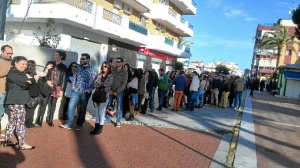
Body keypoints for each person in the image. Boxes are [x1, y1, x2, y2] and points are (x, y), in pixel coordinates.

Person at [3, 56, 36, 150]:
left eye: (26, 64)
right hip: (16, 101)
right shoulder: (14, 73)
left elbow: (26, 83)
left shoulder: (19, 73)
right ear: (16, 63)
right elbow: (25, 84)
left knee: (12, 122)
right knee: (20, 122)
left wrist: (28, 82)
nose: (25, 66)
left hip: (16, 101)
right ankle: (22, 143)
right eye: (23, 64)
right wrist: (28, 82)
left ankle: (7, 140)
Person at [60, 53, 97, 130]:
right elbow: (75, 76)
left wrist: (89, 89)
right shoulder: (78, 67)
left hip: (85, 92)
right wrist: (73, 86)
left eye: (83, 59)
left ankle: (79, 125)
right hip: (76, 91)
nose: (81, 60)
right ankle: (69, 124)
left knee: (82, 109)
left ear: (88, 60)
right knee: (70, 107)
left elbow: (94, 81)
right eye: (81, 58)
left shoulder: (92, 69)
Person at [35, 50, 67, 127]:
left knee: (53, 104)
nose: (54, 56)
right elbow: (44, 73)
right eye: (54, 55)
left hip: (57, 87)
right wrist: (47, 80)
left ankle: (50, 120)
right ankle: (39, 120)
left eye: (56, 55)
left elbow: (64, 79)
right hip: (47, 86)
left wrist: (62, 90)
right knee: (44, 103)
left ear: (60, 57)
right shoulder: (50, 63)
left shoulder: (63, 67)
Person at [90, 61, 113, 135]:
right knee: (97, 112)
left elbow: (107, 84)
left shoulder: (110, 76)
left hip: (105, 96)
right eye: (103, 66)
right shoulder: (100, 75)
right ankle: (96, 128)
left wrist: (100, 84)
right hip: (97, 95)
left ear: (108, 67)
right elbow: (95, 84)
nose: (104, 68)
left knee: (101, 113)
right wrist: (100, 84)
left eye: (105, 66)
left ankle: (100, 129)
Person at [107, 57, 128, 127]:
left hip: (119, 92)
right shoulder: (113, 70)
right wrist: (110, 89)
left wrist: (117, 91)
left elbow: (124, 83)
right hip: (111, 91)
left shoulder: (125, 72)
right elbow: (109, 80)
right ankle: (108, 118)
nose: (117, 63)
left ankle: (118, 120)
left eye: (119, 62)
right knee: (109, 105)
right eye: (116, 62)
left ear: (122, 63)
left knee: (119, 106)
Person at [0, 45, 13, 135]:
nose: (10, 55)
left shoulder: (11, 62)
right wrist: (9, 70)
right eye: (8, 53)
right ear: (2, 51)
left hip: (8, 91)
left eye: (11, 53)